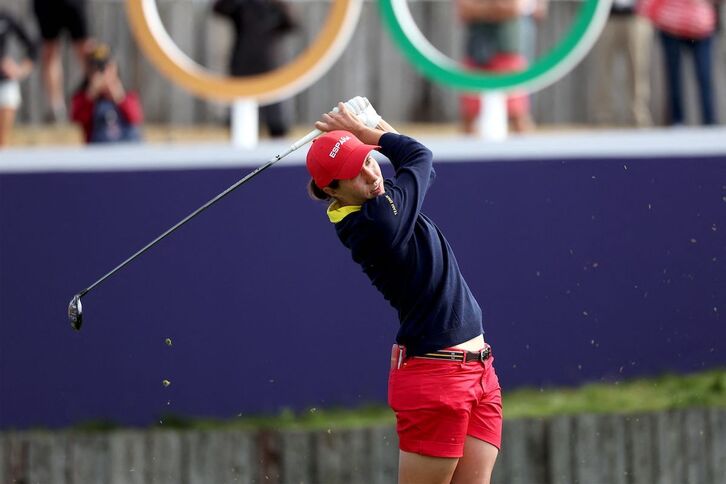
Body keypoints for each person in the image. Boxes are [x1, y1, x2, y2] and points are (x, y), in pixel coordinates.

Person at [305, 102, 501, 484]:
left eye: (367, 159)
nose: (370, 174)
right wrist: (372, 131)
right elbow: (419, 155)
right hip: (436, 376)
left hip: (479, 370)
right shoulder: (376, 222)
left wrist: (374, 126)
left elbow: (415, 164)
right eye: (354, 172)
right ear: (332, 188)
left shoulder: (374, 202)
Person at [212, 0, 297, 138]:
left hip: (272, 67)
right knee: (240, 122)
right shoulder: (241, 5)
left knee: (277, 121)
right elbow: (219, 8)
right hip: (244, 66)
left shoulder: (276, 6)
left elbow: (291, 23)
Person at [456, 0, 533, 134]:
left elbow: (515, 7)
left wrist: (481, 9)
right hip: (476, 52)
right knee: (469, 114)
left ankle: (530, 154)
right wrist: (497, 8)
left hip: (508, 52)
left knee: (517, 112)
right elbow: (464, 10)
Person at [639, 0, 719, 125]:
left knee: (705, 77)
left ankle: (709, 120)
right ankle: (677, 120)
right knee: (673, 79)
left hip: (701, 26)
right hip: (671, 25)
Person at [593, 0, 653, 127]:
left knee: (638, 69)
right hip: (606, 16)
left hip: (637, 16)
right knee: (604, 69)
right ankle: (604, 116)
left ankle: (639, 115)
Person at [70, 43, 143, 144]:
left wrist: (119, 97)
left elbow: (135, 118)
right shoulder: (82, 97)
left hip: (127, 152)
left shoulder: (128, 95)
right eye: (96, 69)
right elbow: (77, 121)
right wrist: (91, 95)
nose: (103, 74)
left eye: (106, 68)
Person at [32, 0, 92, 123]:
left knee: (85, 49)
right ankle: (56, 109)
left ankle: (93, 100)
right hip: (46, 4)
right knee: (50, 51)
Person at [0, 10, 37, 147]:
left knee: (1, 141)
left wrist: (20, 70)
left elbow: (33, 46)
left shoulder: (5, 18)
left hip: (4, 83)